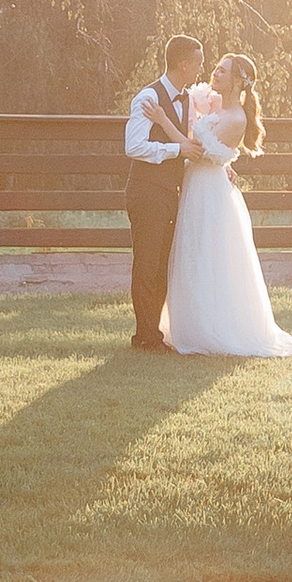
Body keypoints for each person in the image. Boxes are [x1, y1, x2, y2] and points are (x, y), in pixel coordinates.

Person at [166, 53, 292, 358]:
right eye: (216, 69)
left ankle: (212, 328)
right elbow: (199, 115)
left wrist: (163, 120)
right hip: (197, 183)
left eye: (223, 71)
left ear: (238, 81)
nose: (215, 74)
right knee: (194, 251)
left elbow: (197, 150)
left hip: (209, 190)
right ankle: (191, 323)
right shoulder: (216, 104)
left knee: (209, 255)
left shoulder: (237, 118)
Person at [123, 32, 206, 353]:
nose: (201, 69)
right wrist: (175, 151)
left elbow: (191, 143)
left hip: (171, 192)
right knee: (147, 263)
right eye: (198, 63)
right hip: (147, 192)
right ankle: (145, 336)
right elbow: (134, 146)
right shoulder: (148, 97)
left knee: (162, 265)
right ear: (183, 64)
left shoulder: (188, 100)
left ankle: (152, 332)